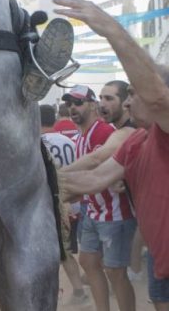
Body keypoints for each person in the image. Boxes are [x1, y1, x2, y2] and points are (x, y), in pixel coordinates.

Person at [55, 0, 169, 310]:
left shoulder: (163, 133)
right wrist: (29, 184)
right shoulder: (135, 141)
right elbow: (92, 180)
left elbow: (157, 98)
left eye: (133, 93)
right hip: (161, 263)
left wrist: (111, 29)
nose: (129, 102)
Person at [61, 84, 136, 311]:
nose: (72, 108)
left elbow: (97, 165)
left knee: (115, 271)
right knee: (89, 262)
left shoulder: (103, 132)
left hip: (114, 212)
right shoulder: (81, 136)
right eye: (69, 104)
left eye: (78, 102)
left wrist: (56, 180)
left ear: (92, 105)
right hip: (93, 210)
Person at [40, 104, 88, 305]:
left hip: (51, 203)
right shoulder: (68, 140)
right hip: (73, 197)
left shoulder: (39, 142)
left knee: (53, 252)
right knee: (66, 250)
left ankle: (56, 294)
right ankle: (78, 290)